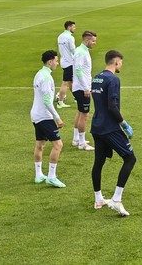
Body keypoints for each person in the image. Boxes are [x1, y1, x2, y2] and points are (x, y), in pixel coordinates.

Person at [90, 50, 135, 216]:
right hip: (110, 128)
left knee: (99, 162)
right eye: (121, 62)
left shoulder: (96, 77)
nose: (121, 65)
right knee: (130, 158)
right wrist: (123, 123)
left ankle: (98, 199)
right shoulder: (113, 79)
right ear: (116, 62)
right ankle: (116, 199)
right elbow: (112, 106)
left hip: (96, 126)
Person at [30, 50, 66, 188]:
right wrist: (58, 118)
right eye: (56, 61)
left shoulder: (39, 74)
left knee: (40, 144)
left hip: (35, 114)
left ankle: (39, 175)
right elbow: (47, 101)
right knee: (58, 145)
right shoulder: (46, 78)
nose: (57, 63)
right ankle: (51, 176)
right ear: (50, 62)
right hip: (44, 116)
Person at [72, 30, 97, 150]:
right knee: (85, 115)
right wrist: (86, 88)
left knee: (80, 112)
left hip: (80, 87)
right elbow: (78, 70)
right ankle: (82, 143)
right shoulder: (81, 52)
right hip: (82, 88)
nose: (94, 43)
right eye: (93, 41)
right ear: (86, 40)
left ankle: (76, 139)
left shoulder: (82, 51)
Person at [55, 21, 76, 108]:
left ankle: (76, 97)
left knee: (71, 81)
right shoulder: (70, 38)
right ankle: (60, 102)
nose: (75, 28)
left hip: (63, 61)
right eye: (73, 27)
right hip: (69, 62)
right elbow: (73, 51)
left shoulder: (60, 36)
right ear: (69, 27)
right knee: (65, 83)